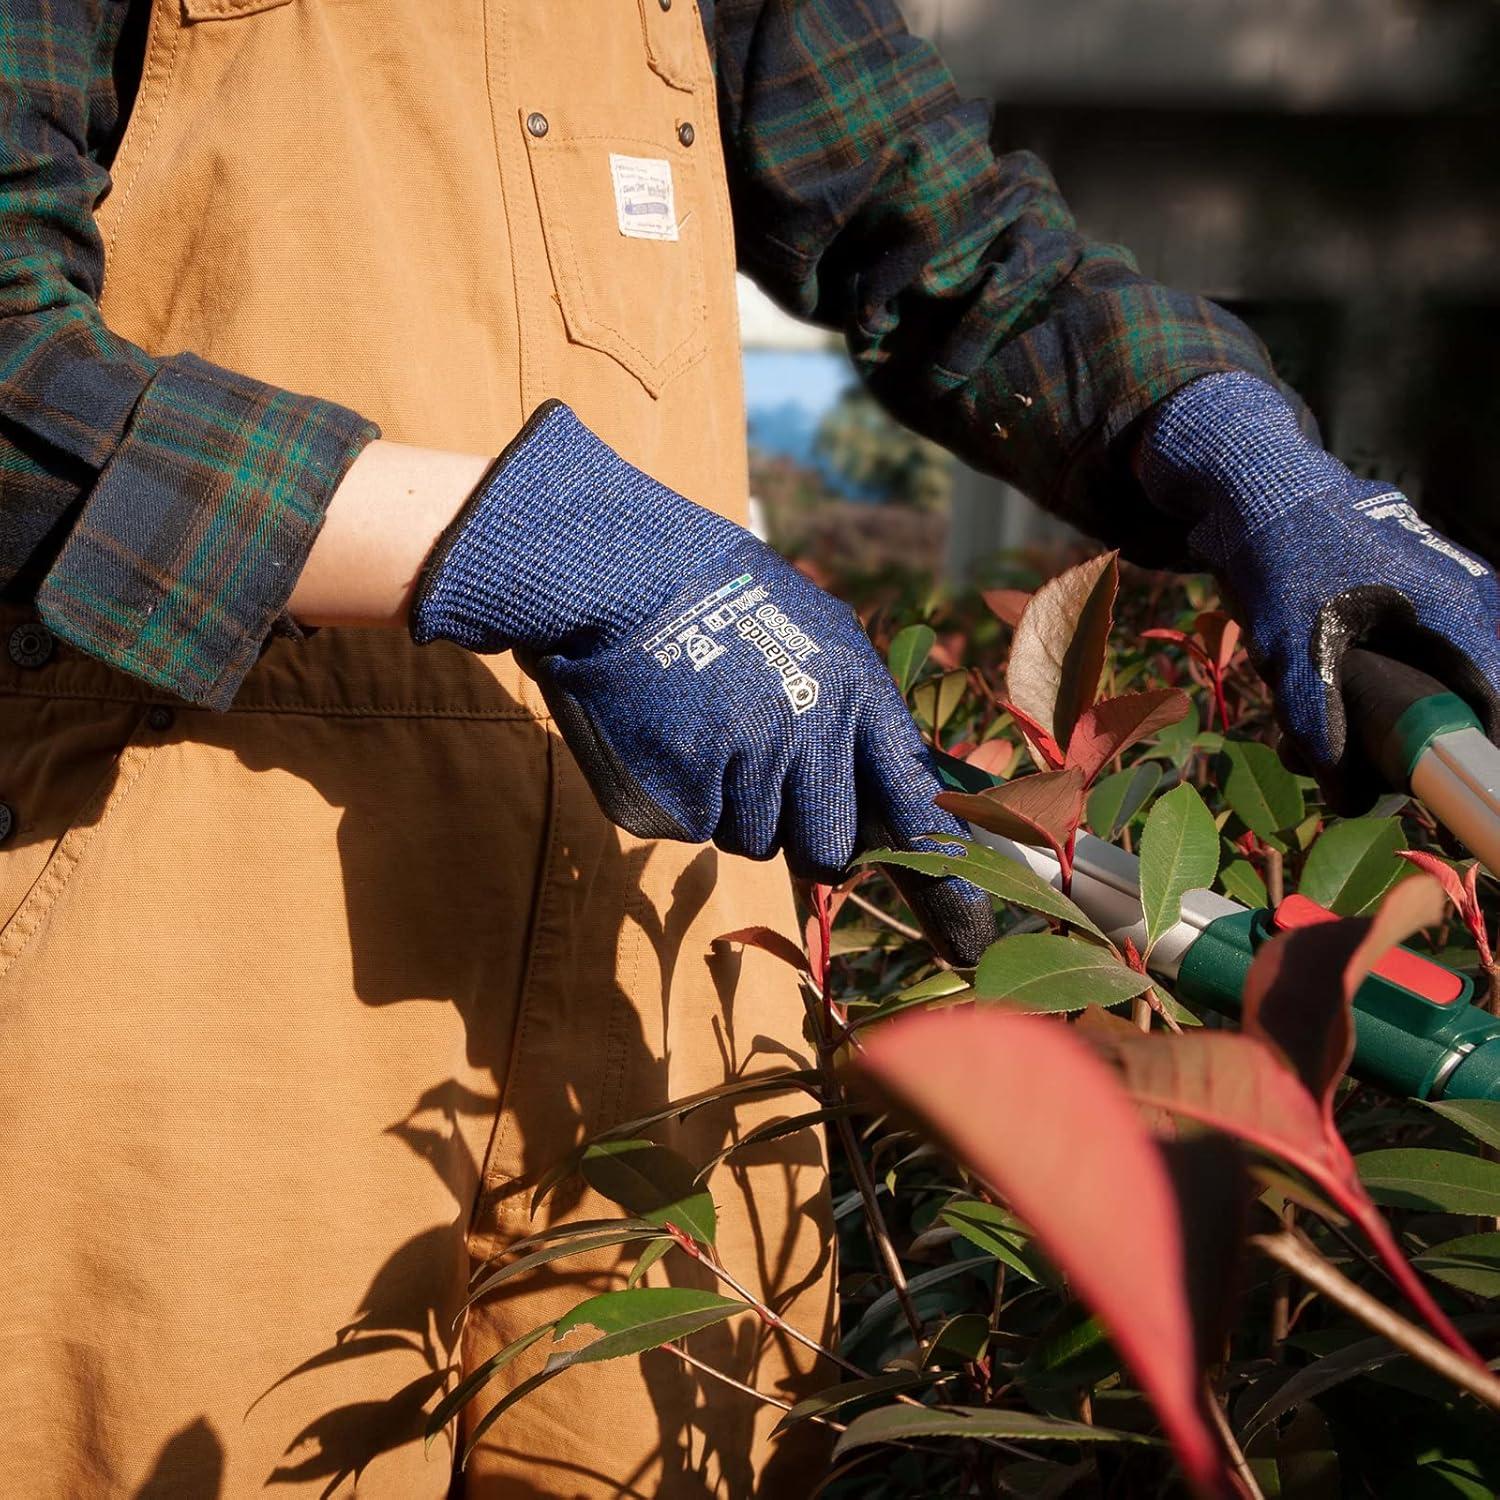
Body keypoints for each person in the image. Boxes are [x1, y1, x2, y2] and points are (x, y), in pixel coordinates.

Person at [0, 0, 1494, 1495]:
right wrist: (520, 541)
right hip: (208, 925)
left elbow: (957, 237)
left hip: (679, 962)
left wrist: (1236, 448)